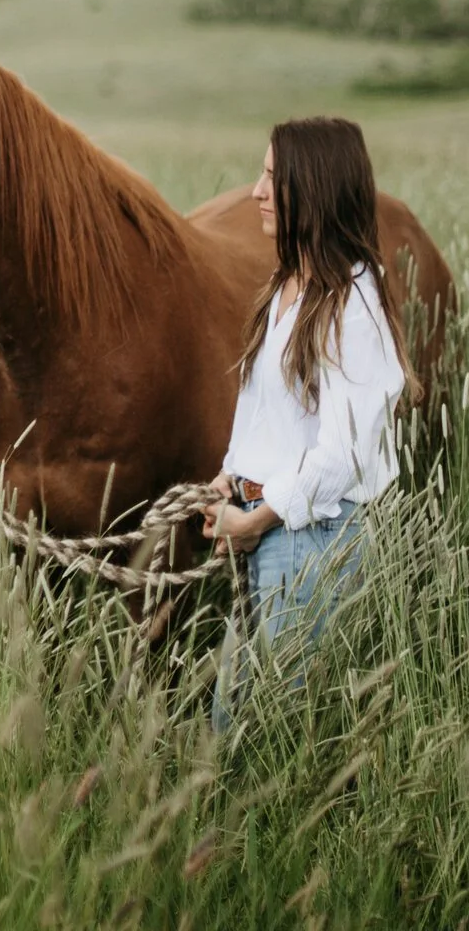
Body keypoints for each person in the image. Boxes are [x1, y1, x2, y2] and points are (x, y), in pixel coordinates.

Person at [203, 116, 409, 736]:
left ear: (311, 188)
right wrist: (228, 477)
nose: (256, 191)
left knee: (267, 734)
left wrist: (256, 519)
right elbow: (263, 408)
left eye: (272, 177)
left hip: (315, 540)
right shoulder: (287, 287)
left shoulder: (354, 304)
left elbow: (343, 451)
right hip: (272, 528)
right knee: (233, 727)